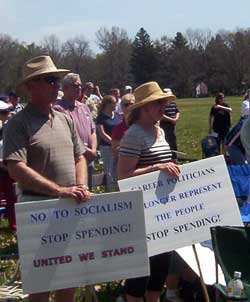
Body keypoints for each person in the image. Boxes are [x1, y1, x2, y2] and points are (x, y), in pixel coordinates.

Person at [3, 55, 91, 302]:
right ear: (32, 86)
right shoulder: (18, 124)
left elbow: (80, 157)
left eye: (57, 80)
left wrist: (81, 185)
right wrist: (59, 191)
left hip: (69, 205)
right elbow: (16, 168)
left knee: (69, 278)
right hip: (36, 208)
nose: (56, 85)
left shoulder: (64, 118)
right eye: (50, 80)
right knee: (41, 283)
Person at [117, 81, 180, 302]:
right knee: (140, 274)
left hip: (162, 209)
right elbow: (123, 175)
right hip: (142, 213)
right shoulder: (134, 134)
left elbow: (163, 163)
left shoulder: (159, 130)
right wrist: (156, 168)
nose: (164, 106)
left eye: (164, 102)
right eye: (158, 103)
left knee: (160, 269)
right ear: (144, 107)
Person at [54, 73, 97, 189]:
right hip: (74, 160)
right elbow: (66, 136)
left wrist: (93, 149)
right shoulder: (58, 109)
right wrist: (87, 151)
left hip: (90, 159)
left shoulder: (84, 107)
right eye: (75, 86)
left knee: (89, 194)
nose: (79, 88)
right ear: (65, 88)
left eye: (80, 86)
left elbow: (93, 130)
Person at [96, 95, 121, 190]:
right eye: (114, 102)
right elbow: (102, 133)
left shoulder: (118, 115)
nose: (116, 104)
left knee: (118, 170)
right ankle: (110, 191)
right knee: (109, 171)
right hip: (107, 148)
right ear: (108, 104)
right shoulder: (101, 117)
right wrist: (113, 143)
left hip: (119, 147)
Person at [0, 100, 17, 231]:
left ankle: (14, 225)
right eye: (4, 112)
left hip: (7, 170)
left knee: (12, 199)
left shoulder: (10, 128)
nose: (8, 115)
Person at [111, 93, 135, 161]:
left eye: (132, 104)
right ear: (122, 107)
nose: (129, 107)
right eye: (126, 105)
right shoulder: (118, 128)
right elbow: (115, 152)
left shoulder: (143, 124)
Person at [160, 88, 180, 160]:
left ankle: (174, 157)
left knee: (173, 140)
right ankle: (166, 157)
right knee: (165, 141)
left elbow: (177, 111)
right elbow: (161, 115)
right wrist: (171, 119)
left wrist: (176, 119)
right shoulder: (161, 105)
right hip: (164, 125)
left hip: (172, 125)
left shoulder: (173, 103)